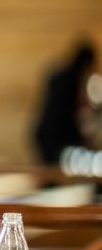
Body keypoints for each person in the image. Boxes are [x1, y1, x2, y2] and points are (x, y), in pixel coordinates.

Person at [34, 36, 98, 165]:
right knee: (54, 172)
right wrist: (80, 139)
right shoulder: (71, 81)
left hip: (44, 132)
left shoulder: (60, 75)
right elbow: (64, 115)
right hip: (52, 135)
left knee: (51, 170)